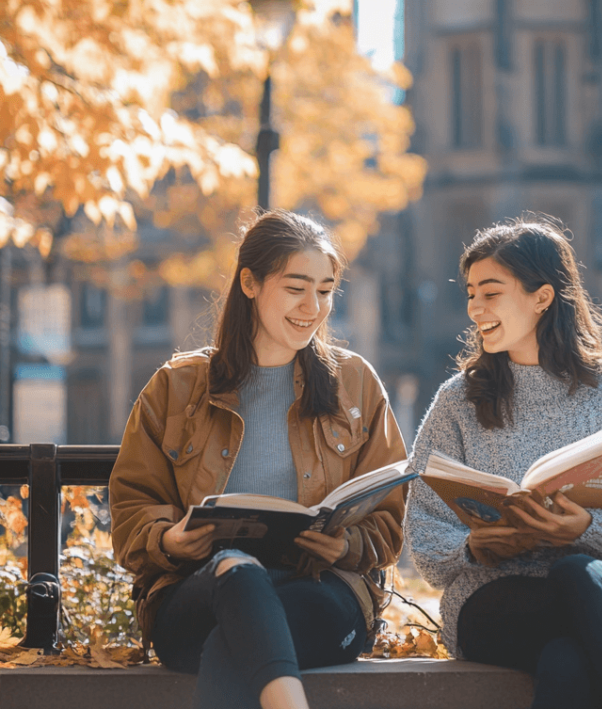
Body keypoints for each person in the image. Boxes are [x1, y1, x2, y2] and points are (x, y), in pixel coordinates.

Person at [109, 210, 408, 709]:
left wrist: (346, 546)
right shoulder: (176, 386)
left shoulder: (354, 383)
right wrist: (171, 540)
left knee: (234, 643)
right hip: (196, 594)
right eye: (296, 288)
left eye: (326, 290)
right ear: (250, 282)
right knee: (236, 570)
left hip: (320, 594)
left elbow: (390, 513)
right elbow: (131, 509)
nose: (313, 307)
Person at [405, 215, 602, 709]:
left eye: (491, 292)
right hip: (503, 595)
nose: (475, 308)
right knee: (568, 649)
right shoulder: (457, 402)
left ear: (542, 297)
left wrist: (588, 529)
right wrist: (477, 548)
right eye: (470, 293)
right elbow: (425, 539)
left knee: (577, 580)